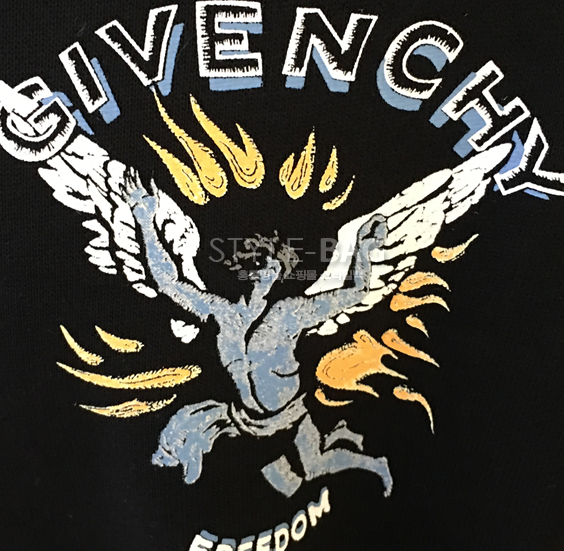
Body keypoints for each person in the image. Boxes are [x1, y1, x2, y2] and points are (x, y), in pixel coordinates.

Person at [128, 181, 393, 497]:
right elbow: (169, 283)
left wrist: (362, 247)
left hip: (289, 415)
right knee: (271, 479)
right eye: (259, 263)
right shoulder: (223, 313)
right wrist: (145, 220)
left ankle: (374, 463)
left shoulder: (289, 312)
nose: (266, 271)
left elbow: (355, 292)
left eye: (273, 265)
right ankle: (177, 458)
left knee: (307, 471)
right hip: (245, 422)